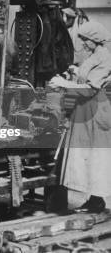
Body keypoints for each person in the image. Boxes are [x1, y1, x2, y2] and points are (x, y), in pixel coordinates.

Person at [49, 21, 111, 213]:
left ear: (95, 39)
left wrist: (62, 83)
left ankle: (97, 200)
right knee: (85, 155)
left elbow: (91, 89)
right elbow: (88, 80)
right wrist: (76, 72)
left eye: (85, 40)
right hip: (85, 111)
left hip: (95, 112)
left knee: (94, 155)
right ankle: (92, 199)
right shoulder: (95, 55)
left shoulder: (105, 58)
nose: (83, 43)